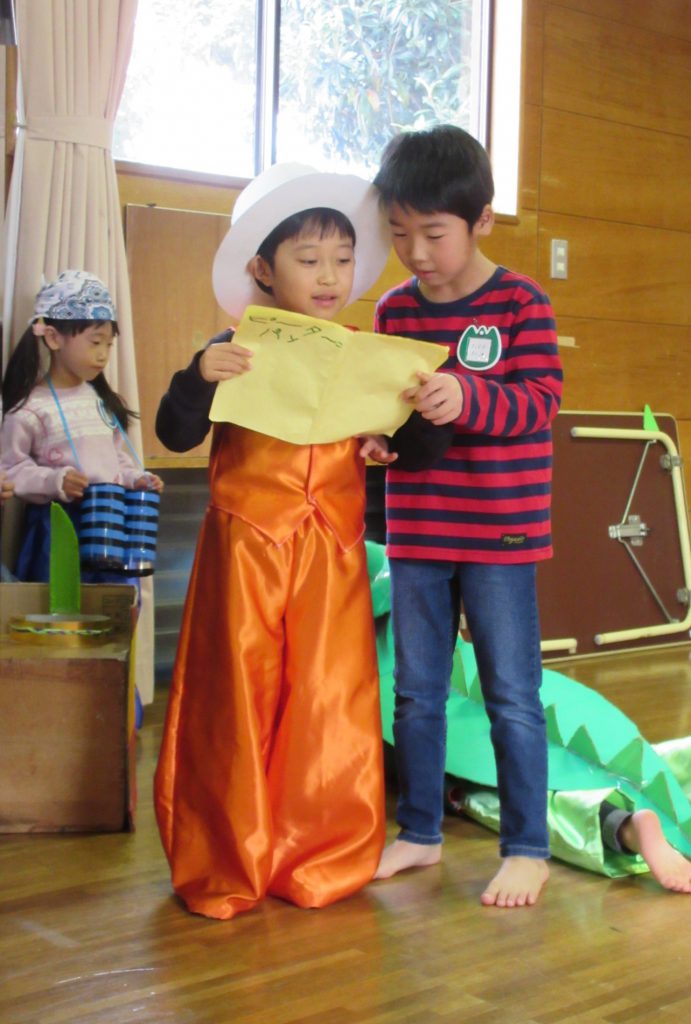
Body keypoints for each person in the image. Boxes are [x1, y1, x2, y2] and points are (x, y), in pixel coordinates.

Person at [153, 162, 392, 920]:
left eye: (342, 260)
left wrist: (388, 441)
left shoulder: (362, 353)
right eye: (308, 259)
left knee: (329, 698)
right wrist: (198, 376)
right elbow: (175, 431)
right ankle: (225, 855)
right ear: (263, 268)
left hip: (332, 547)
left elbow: (395, 448)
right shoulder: (236, 346)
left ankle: (317, 853)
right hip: (248, 545)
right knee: (236, 695)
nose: (328, 276)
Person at [370, 125, 564, 908]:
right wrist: (378, 443)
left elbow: (540, 402)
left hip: (498, 533)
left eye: (432, 233)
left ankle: (527, 848)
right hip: (417, 532)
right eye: (398, 234)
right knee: (415, 693)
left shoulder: (520, 302)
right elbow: (389, 416)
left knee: (511, 694)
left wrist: (468, 396)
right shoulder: (392, 309)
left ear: (481, 219)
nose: (415, 253)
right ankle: (419, 831)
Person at [0, 270, 163, 581]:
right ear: (52, 338)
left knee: (110, 605)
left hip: (111, 526)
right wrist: (55, 481)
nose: (103, 355)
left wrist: (136, 479)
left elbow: (116, 459)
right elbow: (10, 469)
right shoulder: (30, 409)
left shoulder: (101, 401)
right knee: (63, 606)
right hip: (59, 529)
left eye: (109, 345)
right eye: (95, 342)